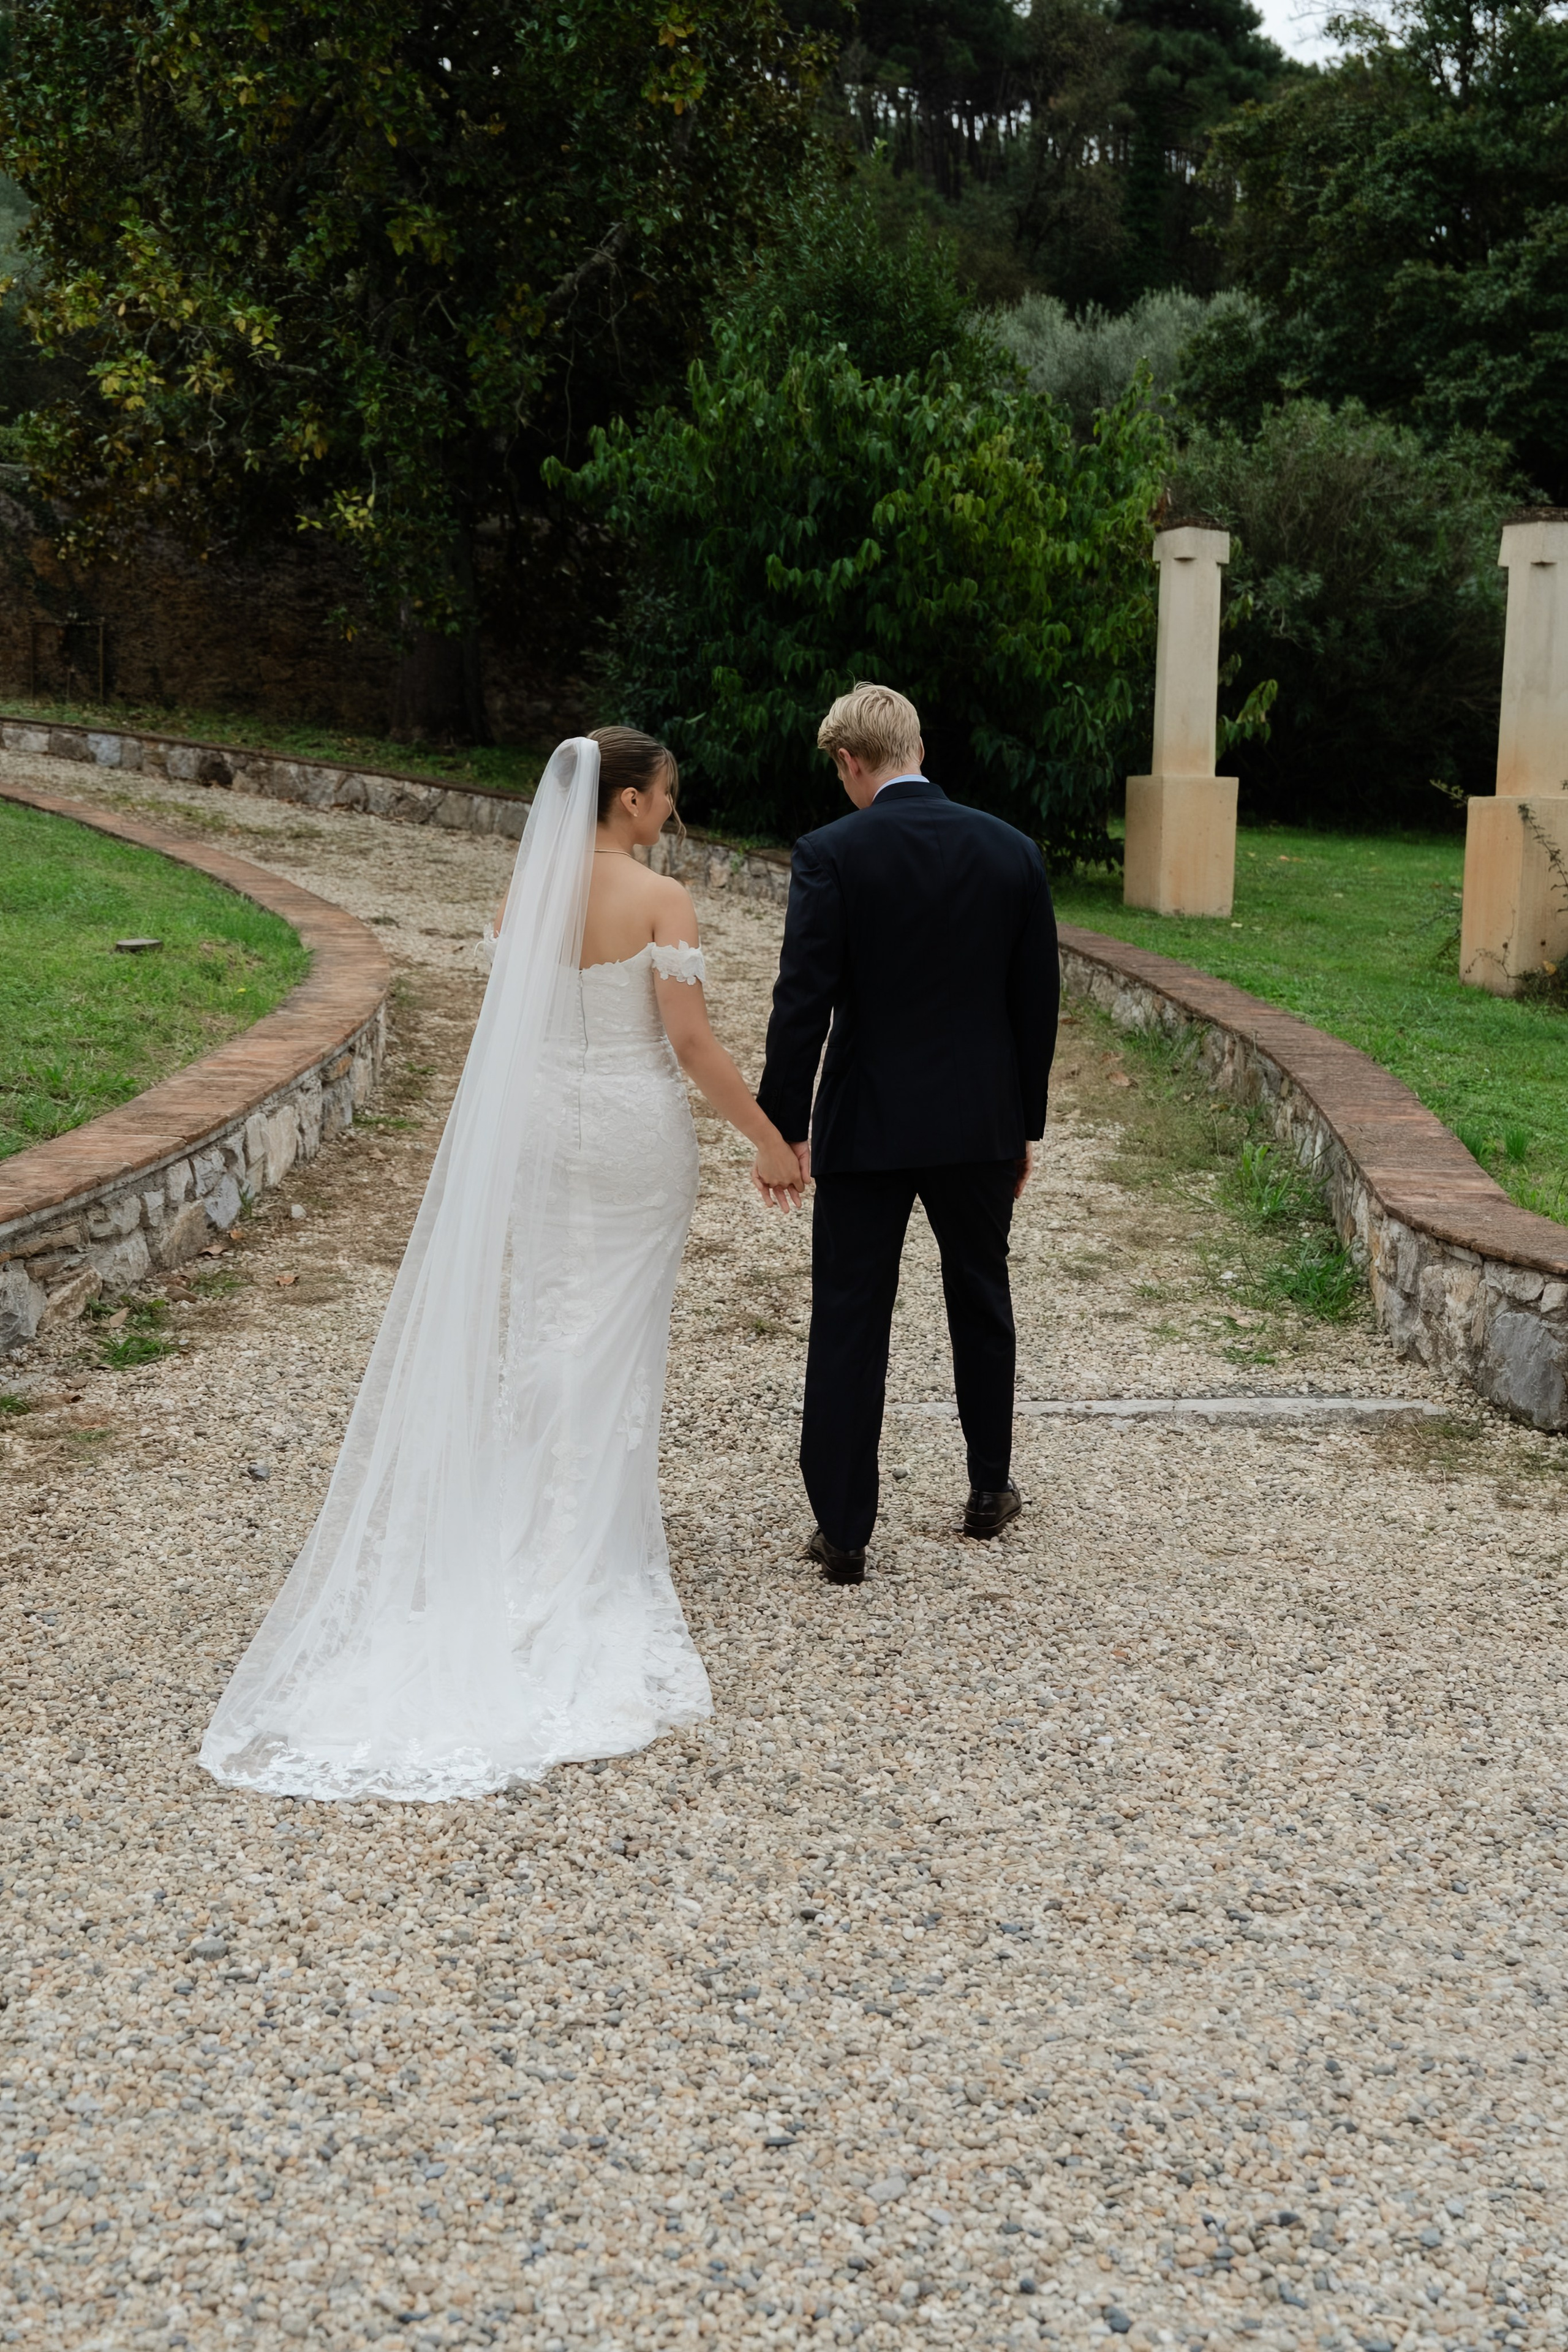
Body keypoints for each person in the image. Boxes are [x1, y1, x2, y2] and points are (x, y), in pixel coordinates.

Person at [202, 730, 802, 1801]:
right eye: (665, 798)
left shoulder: (524, 894)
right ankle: (586, 1542)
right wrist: (768, 1140)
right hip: (628, 1133)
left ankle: (532, 1515)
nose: (671, 814)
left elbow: (505, 1041)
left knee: (548, 1316)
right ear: (627, 800)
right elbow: (694, 1046)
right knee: (615, 1329)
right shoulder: (658, 898)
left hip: (537, 1130)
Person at [755, 682, 1060, 1586]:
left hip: (869, 1123)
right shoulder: (1012, 853)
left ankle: (844, 1533)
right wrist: (1024, 1124)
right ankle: (988, 1488)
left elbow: (800, 1003)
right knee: (981, 1295)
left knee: (852, 1313)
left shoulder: (831, 854)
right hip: (978, 1124)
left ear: (852, 761)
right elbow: (1034, 1008)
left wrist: (785, 1127)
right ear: (917, 747)